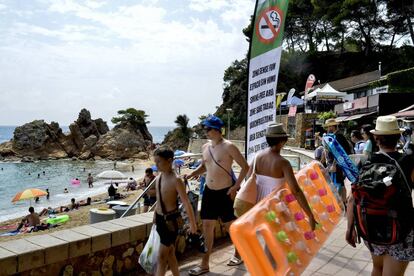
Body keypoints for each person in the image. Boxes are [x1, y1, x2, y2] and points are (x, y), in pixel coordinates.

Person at [346, 116, 414, 276]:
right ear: (398, 137)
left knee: (378, 268)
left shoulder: (365, 162)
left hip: (371, 226)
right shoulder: (408, 161)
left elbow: (352, 197)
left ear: (376, 138)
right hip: (401, 230)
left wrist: (350, 228)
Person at [185, 115, 249, 275]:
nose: (205, 131)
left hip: (225, 192)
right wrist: (193, 173)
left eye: (207, 129)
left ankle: (239, 253)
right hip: (208, 192)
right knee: (207, 226)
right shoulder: (205, 147)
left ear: (216, 130)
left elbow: (245, 167)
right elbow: (205, 166)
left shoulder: (229, 147)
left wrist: (235, 187)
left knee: (229, 226)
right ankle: (204, 264)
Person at [236, 124, 317, 228]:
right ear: (282, 142)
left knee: (267, 236)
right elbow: (296, 190)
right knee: (279, 238)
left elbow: (248, 178)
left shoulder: (257, 157)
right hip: (276, 206)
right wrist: (310, 215)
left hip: (258, 206)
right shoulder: (283, 163)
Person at [153, 147, 197, 276]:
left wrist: (193, 225)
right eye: (155, 162)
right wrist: (155, 215)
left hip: (171, 222)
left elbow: (186, 203)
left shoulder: (176, 180)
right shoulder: (159, 177)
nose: (156, 165)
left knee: (161, 257)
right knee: (170, 252)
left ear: (169, 160)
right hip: (160, 220)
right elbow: (159, 199)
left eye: (159, 162)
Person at [324, 118, 353, 206]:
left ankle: (340, 203)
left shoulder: (338, 137)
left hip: (337, 165)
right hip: (338, 164)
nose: (327, 129)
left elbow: (339, 152)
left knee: (337, 183)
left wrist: (334, 165)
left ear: (333, 126)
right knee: (339, 183)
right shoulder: (337, 136)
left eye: (328, 127)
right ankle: (342, 203)